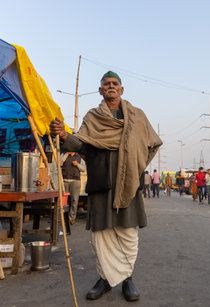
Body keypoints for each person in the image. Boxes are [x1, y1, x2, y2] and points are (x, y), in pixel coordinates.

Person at [50, 71, 162, 301]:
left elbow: (152, 144)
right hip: (101, 181)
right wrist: (64, 135)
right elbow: (83, 145)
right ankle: (105, 279)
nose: (111, 86)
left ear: (122, 89)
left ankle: (127, 279)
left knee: (128, 233)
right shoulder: (92, 117)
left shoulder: (138, 116)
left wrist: (137, 164)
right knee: (101, 234)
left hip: (129, 184)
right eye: (106, 84)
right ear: (100, 90)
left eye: (115, 84)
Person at [61, 152, 86, 224]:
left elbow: (83, 169)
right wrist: (66, 154)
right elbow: (59, 163)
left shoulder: (79, 157)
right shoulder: (64, 154)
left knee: (74, 200)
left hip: (75, 181)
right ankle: (62, 217)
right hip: (65, 180)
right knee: (63, 200)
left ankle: (71, 218)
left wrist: (77, 164)